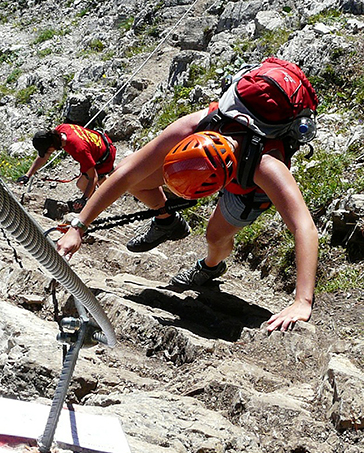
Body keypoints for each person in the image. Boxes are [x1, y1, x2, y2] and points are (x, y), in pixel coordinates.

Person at [55, 105, 319, 333]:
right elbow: (124, 175)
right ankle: (167, 220)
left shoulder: (267, 168)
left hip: (249, 188)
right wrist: (78, 227)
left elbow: (303, 226)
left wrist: (302, 301)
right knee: (132, 174)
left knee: (215, 237)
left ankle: (211, 266)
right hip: (211, 157)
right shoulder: (195, 125)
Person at [17, 124, 117, 210]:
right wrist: (28, 175)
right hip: (101, 143)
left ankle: (98, 204)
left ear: (52, 145)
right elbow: (43, 157)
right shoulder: (60, 130)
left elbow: (93, 177)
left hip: (105, 158)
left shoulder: (78, 149)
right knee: (92, 180)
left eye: (47, 150)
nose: (47, 153)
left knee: (82, 184)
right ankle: (109, 188)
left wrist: (84, 199)